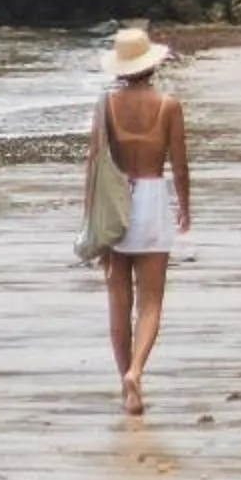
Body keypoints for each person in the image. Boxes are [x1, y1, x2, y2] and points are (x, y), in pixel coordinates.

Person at [86, 24, 190, 414]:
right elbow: (179, 166)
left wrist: (89, 214)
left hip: (115, 201)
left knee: (118, 298)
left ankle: (123, 384)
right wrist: (184, 206)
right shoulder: (169, 105)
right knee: (151, 301)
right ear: (152, 65)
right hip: (152, 198)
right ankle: (137, 372)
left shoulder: (106, 106)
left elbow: (94, 162)